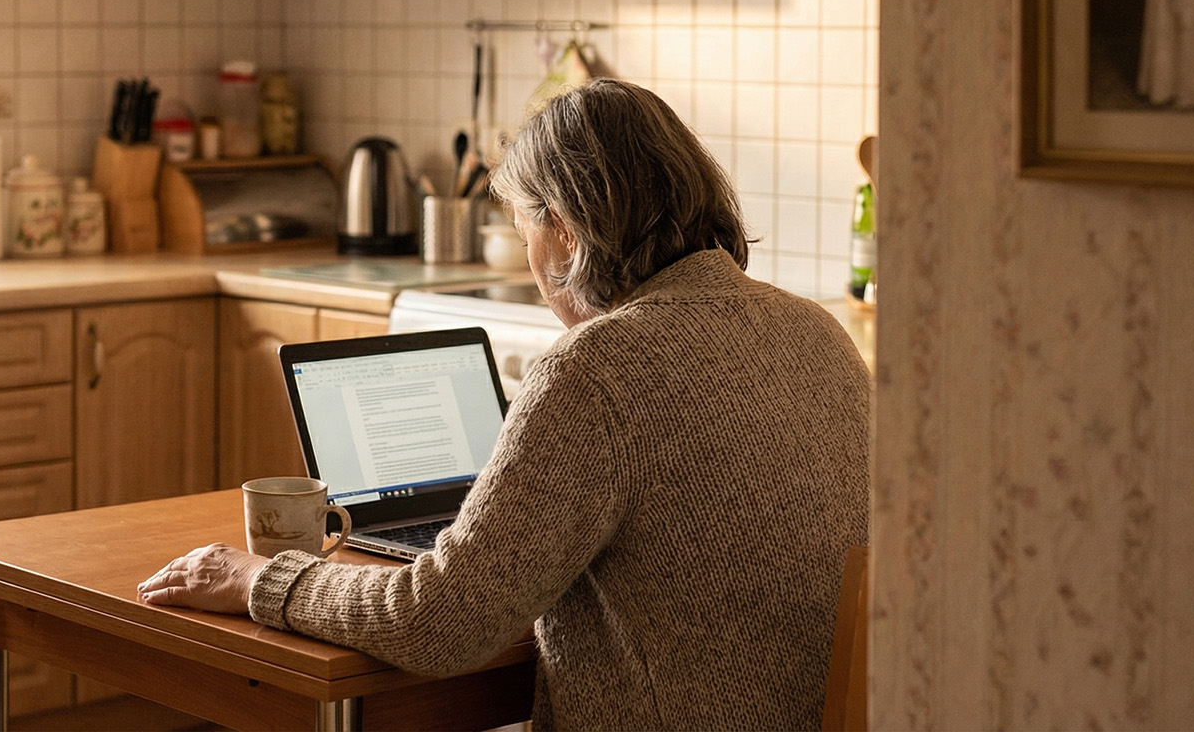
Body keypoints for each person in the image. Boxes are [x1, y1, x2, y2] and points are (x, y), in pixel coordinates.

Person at [139, 80, 871, 730]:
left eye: (524, 228)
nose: (529, 258)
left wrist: (258, 578)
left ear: (564, 227)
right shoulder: (817, 330)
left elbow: (439, 623)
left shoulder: (596, 370)